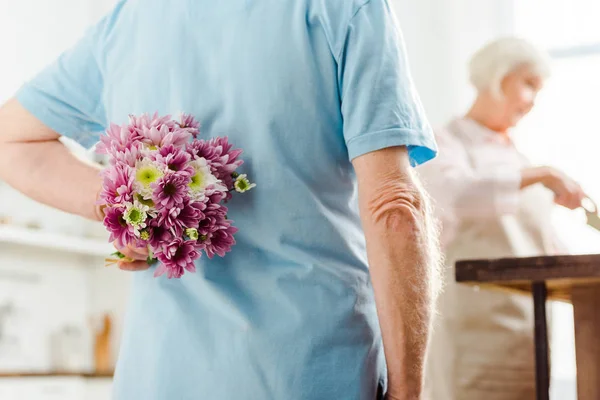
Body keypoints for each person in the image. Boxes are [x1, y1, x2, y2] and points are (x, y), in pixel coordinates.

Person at [0, 1, 441, 399]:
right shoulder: (344, 9)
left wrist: (124, 203)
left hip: (159, 376)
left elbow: (11, 140)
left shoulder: (126, 21)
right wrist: (408, 391)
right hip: (309, 370)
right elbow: (395, 208)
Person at [419, 37, 586, 400]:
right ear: (499, 76)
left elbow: (541, 241)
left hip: (530, 329)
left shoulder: (518, 157)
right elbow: (458, 195)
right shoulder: (444, 142)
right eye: (529, 85)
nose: (533, 102)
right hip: (473, 327)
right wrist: (542, 175)